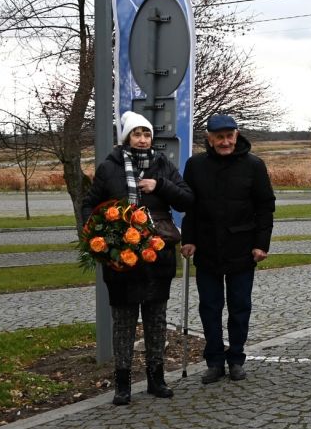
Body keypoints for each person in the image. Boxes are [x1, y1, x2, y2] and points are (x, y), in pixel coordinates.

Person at [83, 111, 194, 405]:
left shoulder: (162, 164)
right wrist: (98, 240)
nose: (143, 140)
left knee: (156, 319)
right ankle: (122, 383)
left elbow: (187, 199)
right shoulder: (109, 168)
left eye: (146, 134)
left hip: (158, 253)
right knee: (123, 320)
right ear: (126, 137)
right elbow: (90, 204)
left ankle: (156, 378)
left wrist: (160, 186)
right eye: (137, 134)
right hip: (122, 256)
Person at [181, 114, 276, 384]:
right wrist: (188, 239)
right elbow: (191, 208)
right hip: (207, 247)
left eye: (229, 136)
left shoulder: (254, 165)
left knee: (239, 306)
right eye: (219, 137)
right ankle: (214, 361)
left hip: (242, 248)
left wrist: (261, 243)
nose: (225, 141)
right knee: (209, 307)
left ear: (236, 135)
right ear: (209, 139)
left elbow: (265, 207)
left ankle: (236, 358)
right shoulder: (195, 165)